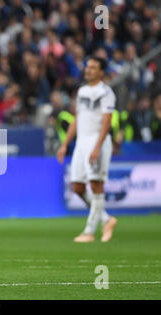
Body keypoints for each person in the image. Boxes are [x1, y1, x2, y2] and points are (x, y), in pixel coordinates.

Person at [56, 57, 118, 243]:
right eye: (87, 66)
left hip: (97, 141)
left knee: (96, 183)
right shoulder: (82, 91)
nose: (88, 70)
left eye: (93, 67)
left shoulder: (106, 92)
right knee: (77, 186)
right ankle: (106, 219)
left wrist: (97, 147)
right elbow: (77, 118)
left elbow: (106, 121)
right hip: (82, 143)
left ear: (101, 72)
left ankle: (89, 231)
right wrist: (65, 143)